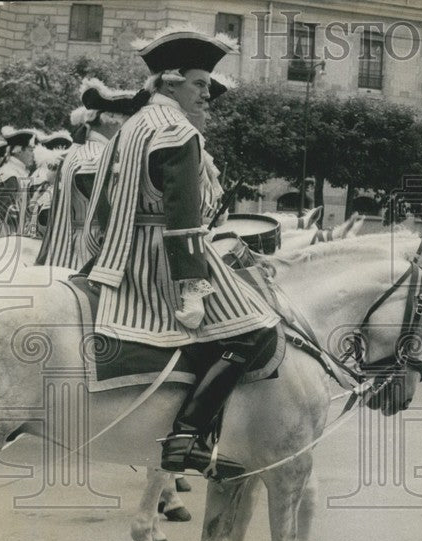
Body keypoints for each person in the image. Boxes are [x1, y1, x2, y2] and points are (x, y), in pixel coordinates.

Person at [83, 29, 279, 480]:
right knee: (254, 331)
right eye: (200, 84)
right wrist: (191, 286)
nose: (208, 94)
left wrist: (104, 252)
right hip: (165, 259)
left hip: (121, 256)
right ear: (170, 83)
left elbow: (104, 202)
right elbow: (184, 219)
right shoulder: (175, 131)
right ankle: (186, 435)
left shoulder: (131, 126)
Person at [36, 78, 146, 268]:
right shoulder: (96, 156)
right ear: (110, 120)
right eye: (126, 121)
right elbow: (105, 216)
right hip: (88, 252)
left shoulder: (80, 151)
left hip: (68, 244)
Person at [0, 126, 37, 238]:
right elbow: (6, 214)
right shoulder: (11, 175)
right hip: (5, 235)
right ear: (19, 150)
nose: (33, 154)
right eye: (30, 150)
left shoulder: (14, 172)